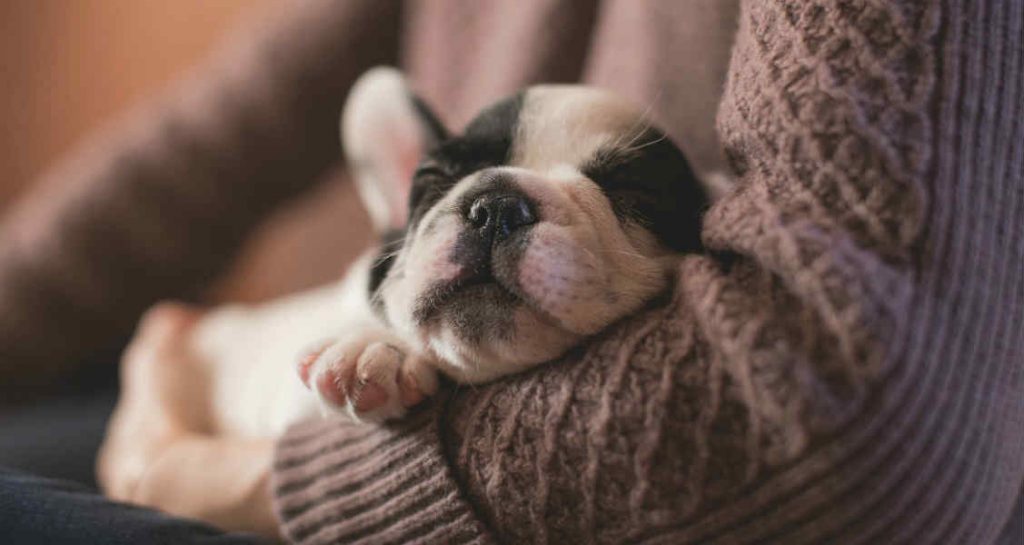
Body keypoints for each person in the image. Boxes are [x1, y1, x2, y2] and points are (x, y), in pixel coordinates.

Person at [1, 0, 1021, 543]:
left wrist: (222, 479)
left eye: (618, 198)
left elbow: (856, 427)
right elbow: (197, 154)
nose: (500, 211)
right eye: (456, 186)